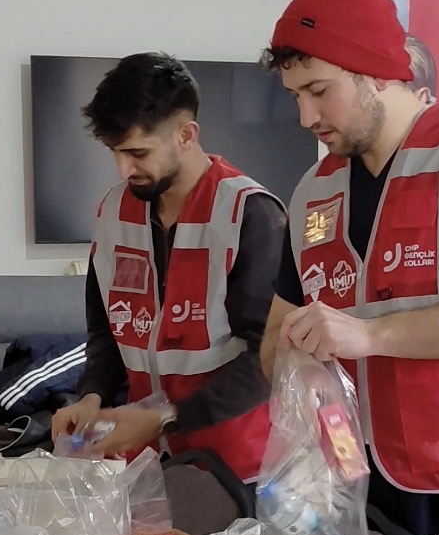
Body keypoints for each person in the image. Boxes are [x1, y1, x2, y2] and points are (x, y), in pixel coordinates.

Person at [260, 0, 439, 535]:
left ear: (375, 71)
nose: (306, 117)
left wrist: (369, 336)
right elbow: (275, 338)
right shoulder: (313, 191)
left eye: (319, 90)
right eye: (295, 96)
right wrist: (298, 371)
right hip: (353, 485)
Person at [53, 52, 285, 479]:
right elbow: (106, 330)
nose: (123, 169)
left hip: (235, 465)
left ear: (186, 135)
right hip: (149, 462)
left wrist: (166, 417)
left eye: (137, 153)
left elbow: (270, 358)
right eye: (114, 152)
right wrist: (91, 396)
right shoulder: (113, 213)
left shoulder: (249, 214)